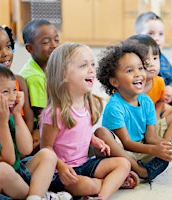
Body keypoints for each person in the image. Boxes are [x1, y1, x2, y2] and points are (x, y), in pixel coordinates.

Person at [0, 62, 71, 200]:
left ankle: (35, 197)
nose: (13, 97)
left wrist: (17, 115)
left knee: (47, 155)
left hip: (15, 177)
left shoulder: (7, 116)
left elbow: (26, 149)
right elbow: (8, 161)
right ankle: (40, 195)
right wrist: (1, 124)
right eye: (6, 92)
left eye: (14, 90)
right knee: (2, 170)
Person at [40, 42, 137, 199]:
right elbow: (46, 149)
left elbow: (80, 132)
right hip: (62, 172)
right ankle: (107, 184)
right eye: (83, 66)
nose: (92, 70)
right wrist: (62, 167)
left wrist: (94, 140)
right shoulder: (54, 112)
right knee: (86, 185)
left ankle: (100, 196)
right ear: (64, 74)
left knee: (123, 164)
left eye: (92, 64)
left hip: (84, 163)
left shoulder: (88, 104)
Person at [96, 40, 172, 186]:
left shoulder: (146, 101)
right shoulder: (115, 106)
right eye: (130, 71)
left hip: (143, 146)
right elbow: (127, 143)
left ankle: (162, 157)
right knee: (101, 133)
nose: (138, 74)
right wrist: (155, 149)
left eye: (140, 68)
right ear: (115, 82)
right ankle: (140, 170)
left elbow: (151, 136)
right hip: (124, 151)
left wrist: (167, 145)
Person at [19, 19, 61, 152]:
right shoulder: (34, 76)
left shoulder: (47, 66)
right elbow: (42, 113)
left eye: (56, 39)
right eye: (46, 42)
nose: (54, 45)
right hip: (38, 124)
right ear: (29, 48)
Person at [135, 11, 172, 108]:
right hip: (146, 102)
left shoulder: (163, 59)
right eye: (151, 33)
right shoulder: (134, 60)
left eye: (161, 34)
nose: (157, 38)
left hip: (164, 99)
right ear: (138, 37)